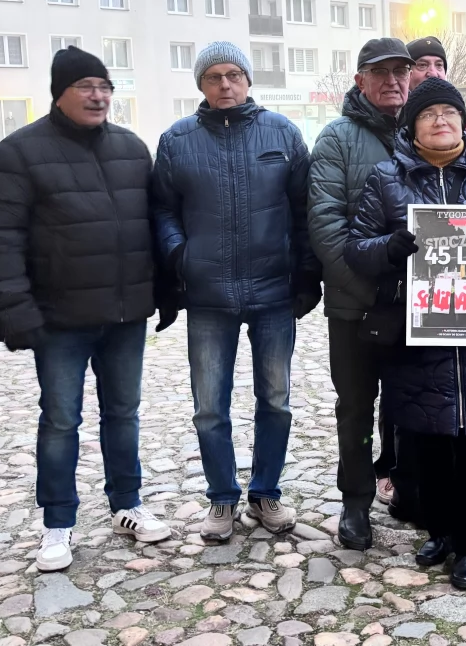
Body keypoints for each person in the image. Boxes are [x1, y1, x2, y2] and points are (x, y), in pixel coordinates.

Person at [0, 47, 172, 572]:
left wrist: (166, 291)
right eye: (86, 85)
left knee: (124, 414)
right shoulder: (19, 152)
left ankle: (127, 505)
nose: (98, 95)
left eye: (105, 86)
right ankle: (57, 523)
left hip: (125, 314)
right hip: (59, 319)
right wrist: (14, 309)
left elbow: (153, 229)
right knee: (61, 421)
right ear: (58, 93)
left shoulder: (132, 149)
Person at [345, 77, 466, 590]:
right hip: (417, 329)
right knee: (426, 441)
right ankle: (441, 531)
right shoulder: (386, 178)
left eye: (450, 113)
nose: (442, 122)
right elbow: (356, 248)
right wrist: (393, 245)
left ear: (463, 122)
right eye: (430, 115)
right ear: (413, 124)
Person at [151, 42, 318, 540]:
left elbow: (305, 209)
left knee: (276, 400)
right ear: (200, 85)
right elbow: (161, 209)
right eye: (214, 77)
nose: (225, 85)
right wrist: (181, 255)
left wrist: (305, 276)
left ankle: (266, 494)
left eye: (234, 75)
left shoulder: (282, 133)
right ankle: (222, 499)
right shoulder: (178, 140)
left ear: (248, 80)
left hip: (272, 292)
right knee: (209, 406)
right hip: (208, 295)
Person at [309, 38, 419, 551]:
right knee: (355, 404)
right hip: (356, 305)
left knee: (411, 402)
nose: (393, 80)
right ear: (360, 80)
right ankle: (355, 502)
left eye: (401, 70)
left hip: (418, 307)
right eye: (381, 72)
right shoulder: (336, 140)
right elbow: (327, 230)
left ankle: (408, 488)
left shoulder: (426, 131)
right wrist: (377, 292)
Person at [406, 36, 466, 154]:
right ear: (407, 73)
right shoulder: (394, 122)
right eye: (422, 65)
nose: (433, 73)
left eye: (439, 65)